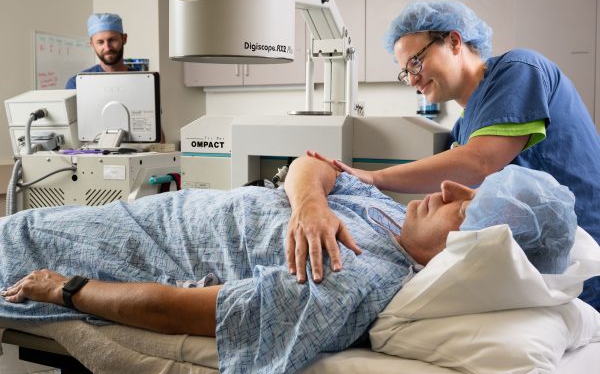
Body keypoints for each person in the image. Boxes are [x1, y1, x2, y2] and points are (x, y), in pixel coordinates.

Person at [0, 157, 576, 373]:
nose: (448, 185)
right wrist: (310, 207)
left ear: (474, 250)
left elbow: (196, 313)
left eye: (466, 204)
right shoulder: (385, 211)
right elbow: (314, 162)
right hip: (165, 209)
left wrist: (68, 289)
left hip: (129, 249)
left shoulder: (356, 279)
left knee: (14, 235)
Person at [308, 0, 600, 309]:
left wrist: (372, 177)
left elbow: (479, 162)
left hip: (580, 262)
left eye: (416, 62)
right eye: (405, 73)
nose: (412, 79)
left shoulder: (519, 70)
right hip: (532, 273)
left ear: (454, 41)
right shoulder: (463, 129)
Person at [65, 13, 135, 89]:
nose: (107, 48)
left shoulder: (143, 80)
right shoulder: (76, 84)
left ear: (124, 39)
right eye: (100, 42)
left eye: (112, 40)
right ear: (92, 45)